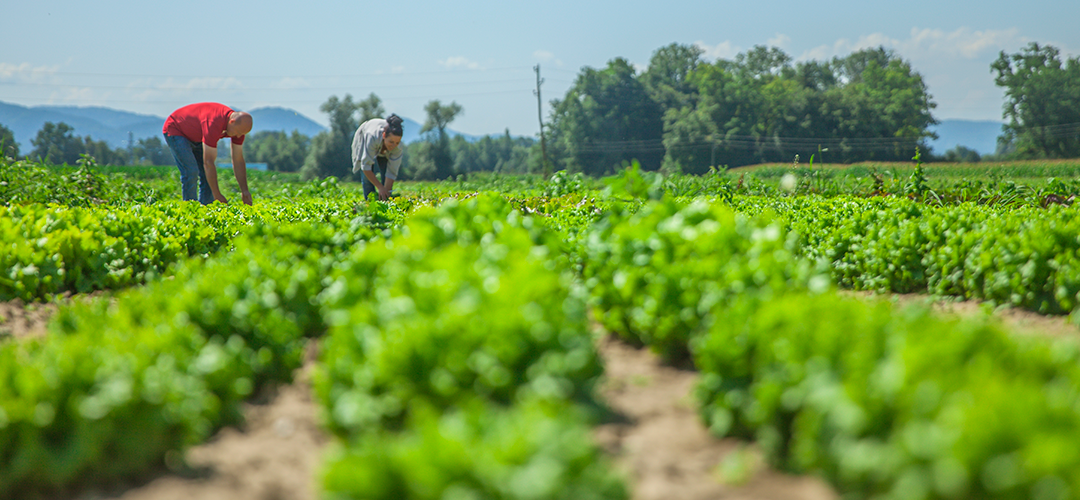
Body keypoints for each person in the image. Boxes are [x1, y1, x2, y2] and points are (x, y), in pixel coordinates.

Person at [162, 102, 253, 205]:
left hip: (197, 136)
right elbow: (208, 162)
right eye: (238, 133)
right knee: (191, 172)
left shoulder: (239, 130)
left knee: (207, 176)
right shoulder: (214, 123)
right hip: (176, 129)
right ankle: (190, 209)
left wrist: (244, 191)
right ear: (232, 122)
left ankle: (205, 210)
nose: (238, 136)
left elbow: (238, 160)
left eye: (241, 134)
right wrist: (217, 195)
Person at [351, 114, 405, 201]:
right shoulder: (371, 136)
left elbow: (391, 172)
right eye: (391, 142)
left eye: (397, 142)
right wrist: (380, 187)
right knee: (367, 179)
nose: (394, 145)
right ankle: (369, 202)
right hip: (367, 136)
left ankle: (384, 202)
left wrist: (386, 193)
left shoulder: (398, 148)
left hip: (384, 150)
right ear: (384, 136)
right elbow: (366, 167)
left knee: (385, 174)